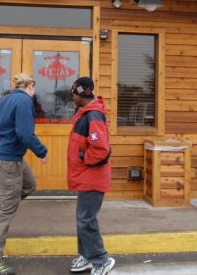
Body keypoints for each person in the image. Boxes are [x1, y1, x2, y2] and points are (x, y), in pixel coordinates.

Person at [0, 72, 48, 275]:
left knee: (29, 185)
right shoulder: (25, 101)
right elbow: (24, 133)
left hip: (6, 157)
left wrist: (1, 146)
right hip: (8, 160)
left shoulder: (4, 100)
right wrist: (41, 152)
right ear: (31, 86)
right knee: (6, 210)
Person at [67, 77, 115, 275]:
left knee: (86, 220)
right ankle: (87, 256)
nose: (72, 97)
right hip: (86, 176)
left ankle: (101, 259)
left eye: (74, 93)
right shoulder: (85, 113)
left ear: (81, 94)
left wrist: (82, 158)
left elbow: (101, 150)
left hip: (92, 176)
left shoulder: (93, 115)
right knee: (83, 218)